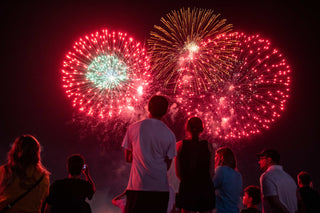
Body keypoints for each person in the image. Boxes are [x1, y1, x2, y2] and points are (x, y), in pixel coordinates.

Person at [122, 95, 176, 213]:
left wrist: (141, 156)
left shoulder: (133, 128)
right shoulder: (170, 134)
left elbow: (128, 158)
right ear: (166, 111)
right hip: (160, 188)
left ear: (148, 108)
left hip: (138, 186)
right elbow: (167, 164)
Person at [0, 134, 50, 213]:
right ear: (37, 152)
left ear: (15, 150)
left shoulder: (5, 171)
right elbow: (42, 201)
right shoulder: (44, 177)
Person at [175, 117, 215, 213]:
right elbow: (211, 172)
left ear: (187, 128)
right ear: (202, 129)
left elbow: (178, 172)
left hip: (187, 186)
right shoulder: (209, 146)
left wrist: (187, 181)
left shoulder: (179, 145)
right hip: (205, 187)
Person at [257, 149, 297, 213]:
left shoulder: (267, 176)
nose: (259, 162)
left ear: (269, 160)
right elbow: (299, 201)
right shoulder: (290, 178)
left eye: (261, 159)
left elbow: (274, 202)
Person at [213, 147, 242, 213]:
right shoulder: (238, 175)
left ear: (222, 158)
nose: (214, 159)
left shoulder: (220, 170)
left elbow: (208, 187)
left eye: (216, 156)